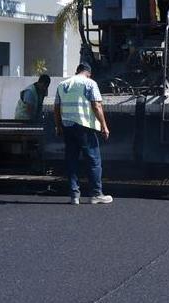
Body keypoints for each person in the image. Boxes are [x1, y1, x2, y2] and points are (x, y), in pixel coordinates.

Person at [55, 63, 112, 205]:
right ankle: (96, 194)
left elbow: (56, 107)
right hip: (84, 126)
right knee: (93, 160)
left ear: (77, 71)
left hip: (68, 126)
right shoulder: (90, 83)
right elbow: (96, 105)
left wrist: (58, 126)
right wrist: (104, 126)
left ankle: (74, 195)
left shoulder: (63, 84)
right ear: (89, 73)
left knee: (71, 160)